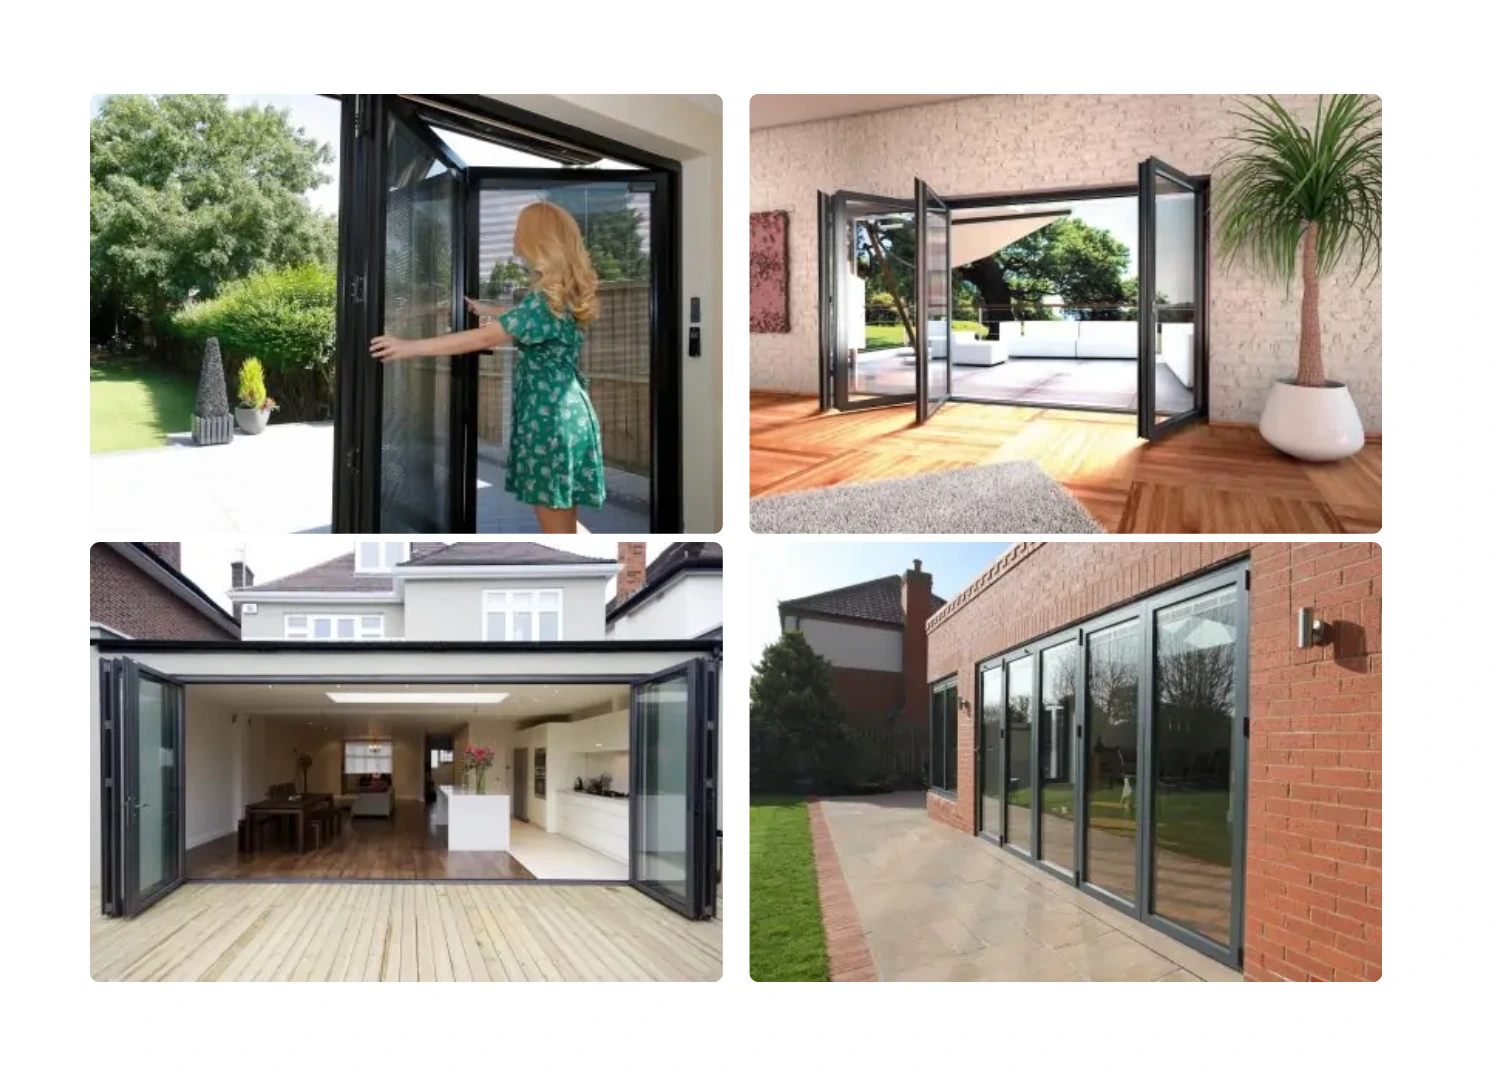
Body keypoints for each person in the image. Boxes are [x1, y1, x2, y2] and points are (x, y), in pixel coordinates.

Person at [371, 202, 605, 534]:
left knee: (557, 529)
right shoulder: (561, 296)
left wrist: (408, 347)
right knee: (564, 520)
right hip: (566, 414)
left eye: (519, 229)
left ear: (537, 239)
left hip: (549, 420)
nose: (514, 235)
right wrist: (486, 308)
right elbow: (521, 318)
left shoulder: (543, 303)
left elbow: (482, 339)